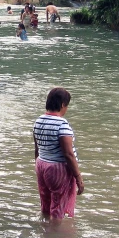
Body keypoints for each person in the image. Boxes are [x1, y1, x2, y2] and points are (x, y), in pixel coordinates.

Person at [33, 87, 83, 220]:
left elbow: (37, 148)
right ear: (62, 105)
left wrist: (37, 166)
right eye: (67, 105)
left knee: (45, 202)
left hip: (41, 164)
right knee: (58, 207)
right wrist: (78, 178)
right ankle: (55, 235)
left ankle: (44, 229)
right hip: (57, 168)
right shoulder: (62, 124)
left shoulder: (39, 120)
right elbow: (68, 154)